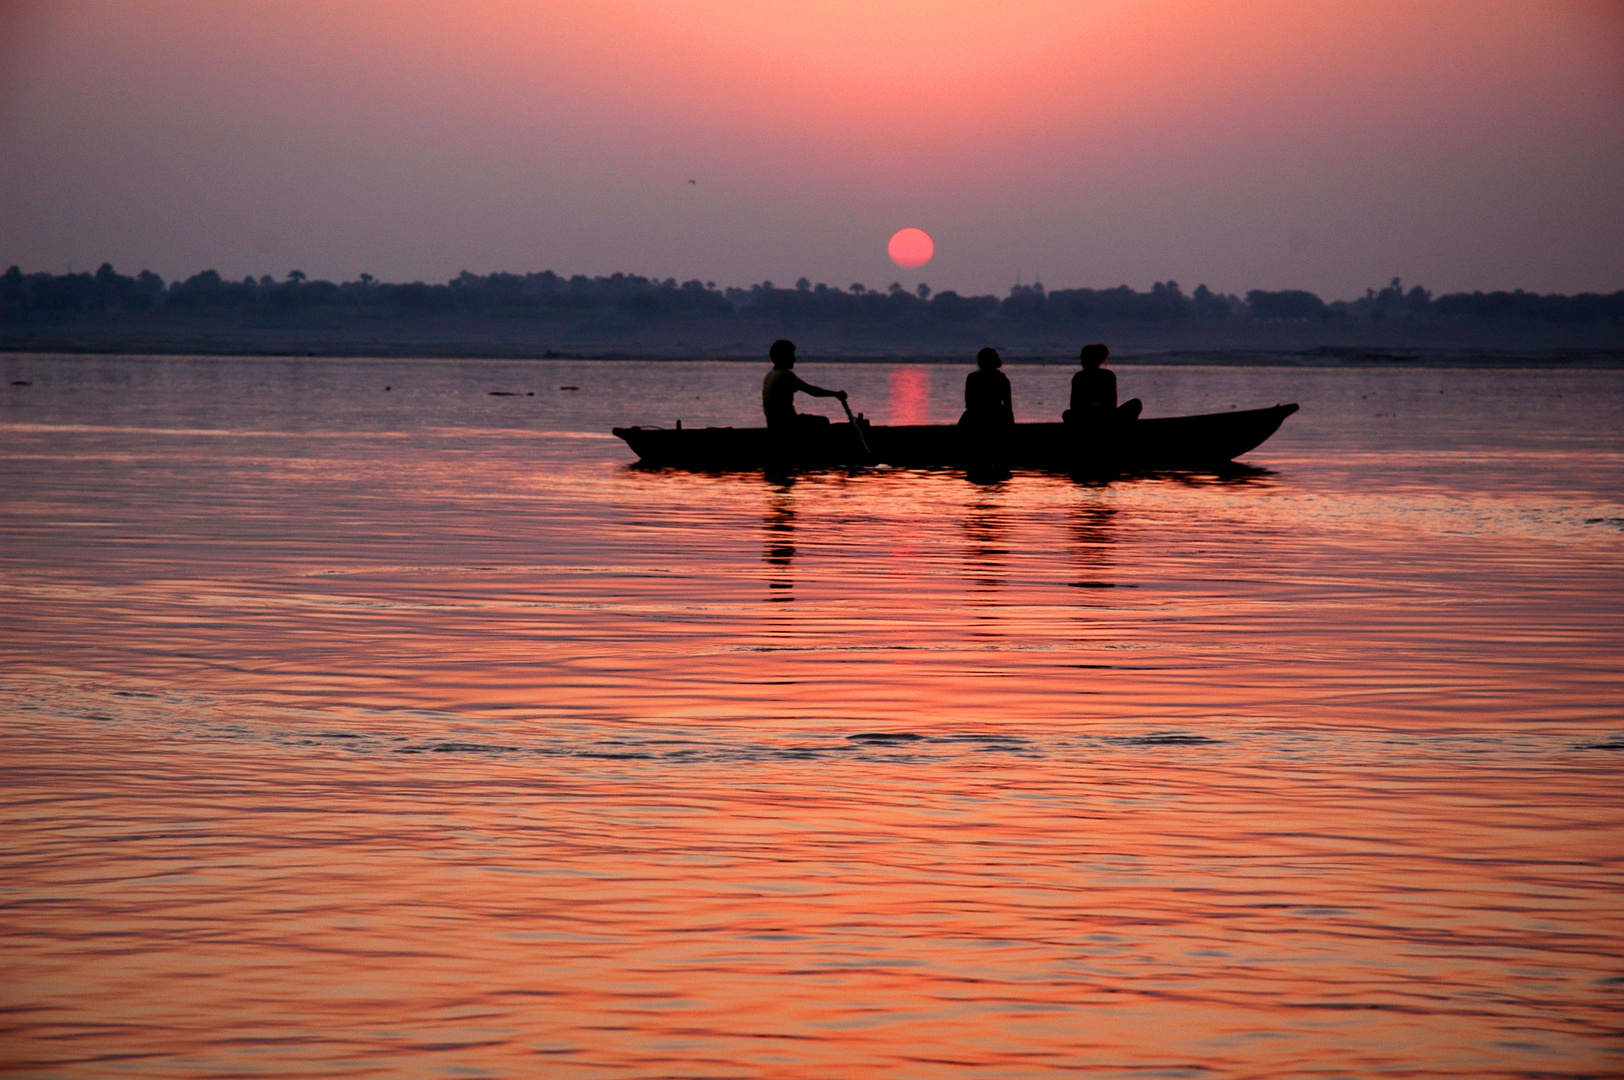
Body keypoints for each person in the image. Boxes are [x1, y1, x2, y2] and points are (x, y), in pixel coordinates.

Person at [762, 339, 846, 430]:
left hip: (773, 424)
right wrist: (836, 394)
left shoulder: (771, 375)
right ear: (783, 357)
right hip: (787, 424)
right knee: (823, 421)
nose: (794, 359)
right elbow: (812, 391)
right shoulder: (785, 376)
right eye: (791, 355)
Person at [1063, 343, 1141, 425]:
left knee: (1136, 403)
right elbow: (1075, 407)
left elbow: (1111, 405)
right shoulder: (1081, 377)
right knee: (1067, 414)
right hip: (1097, 417)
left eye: (1084, 359)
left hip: (1101, 417)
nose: (1082, 363)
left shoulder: (1082, 377)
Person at [960, 347, 1014, 428]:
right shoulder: (1001, 378)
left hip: (974, 417)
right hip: (997, 417)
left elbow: (969, 403)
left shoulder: (972, 378)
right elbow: (1008, 406)